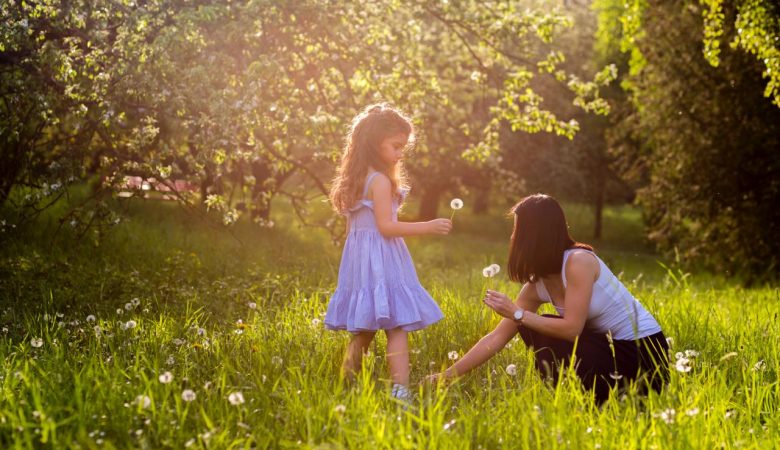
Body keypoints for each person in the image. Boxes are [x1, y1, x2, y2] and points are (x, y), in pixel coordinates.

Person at [428, 194, 669, 404]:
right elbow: (497, 337)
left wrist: (518, 314)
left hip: (643, 353)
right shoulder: (538, 283)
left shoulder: (578, 262)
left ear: (534, 234)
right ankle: (575, 399)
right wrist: (446, 376)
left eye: (517, 230)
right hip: (609, 351)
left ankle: (594, 400)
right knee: (536, 327)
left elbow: (572, 329)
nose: (512, 238)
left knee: (535, 323)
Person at [325, 103, 452, 402]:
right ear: (374, 142)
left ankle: (347, 386)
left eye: (402, 149)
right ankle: (401, 392)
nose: (399, 154)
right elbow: (386, 227)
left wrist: (355, 264)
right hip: (382, 257)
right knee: (396, 324)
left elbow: (354, 230)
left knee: (365, 328)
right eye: (395, 146)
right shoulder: (380, 181)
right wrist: (429, 226)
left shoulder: (357, 179)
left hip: (361, 259)